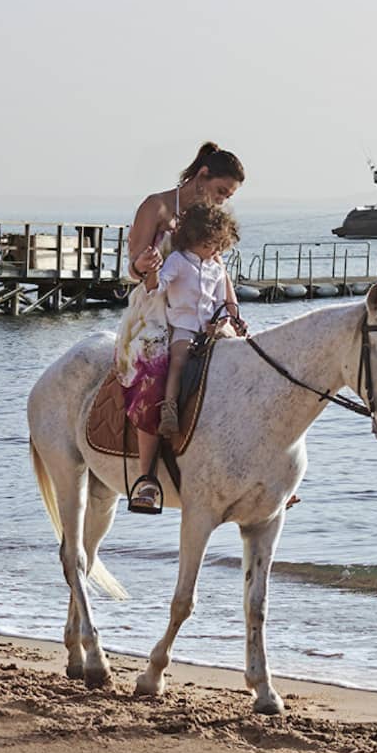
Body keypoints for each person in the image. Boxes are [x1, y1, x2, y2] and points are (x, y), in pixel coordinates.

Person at [115, 141, 244, 515]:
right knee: (154, 367)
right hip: (156, 305)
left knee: (247, 364)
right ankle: (146, 479)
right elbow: (134, 269)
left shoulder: (206, 216)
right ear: (202, 175)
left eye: (228, 197)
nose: (222, 201)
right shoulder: (155, 206)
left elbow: (218, 265)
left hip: (202, 310)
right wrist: (145, 262)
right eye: (221, 191)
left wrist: (231, 308)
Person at [156, 203, 244, 439]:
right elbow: (161, 284)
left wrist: (221, 322)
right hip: (184, 325)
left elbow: (219, 302)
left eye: (216, 245)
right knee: (179, 360)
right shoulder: (178, 261)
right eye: (207, 245)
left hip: (210, 328)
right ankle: (170, 408)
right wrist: (152, 276)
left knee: (238, 351)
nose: (212, 250)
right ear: (192, 238)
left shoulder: (215, 269)